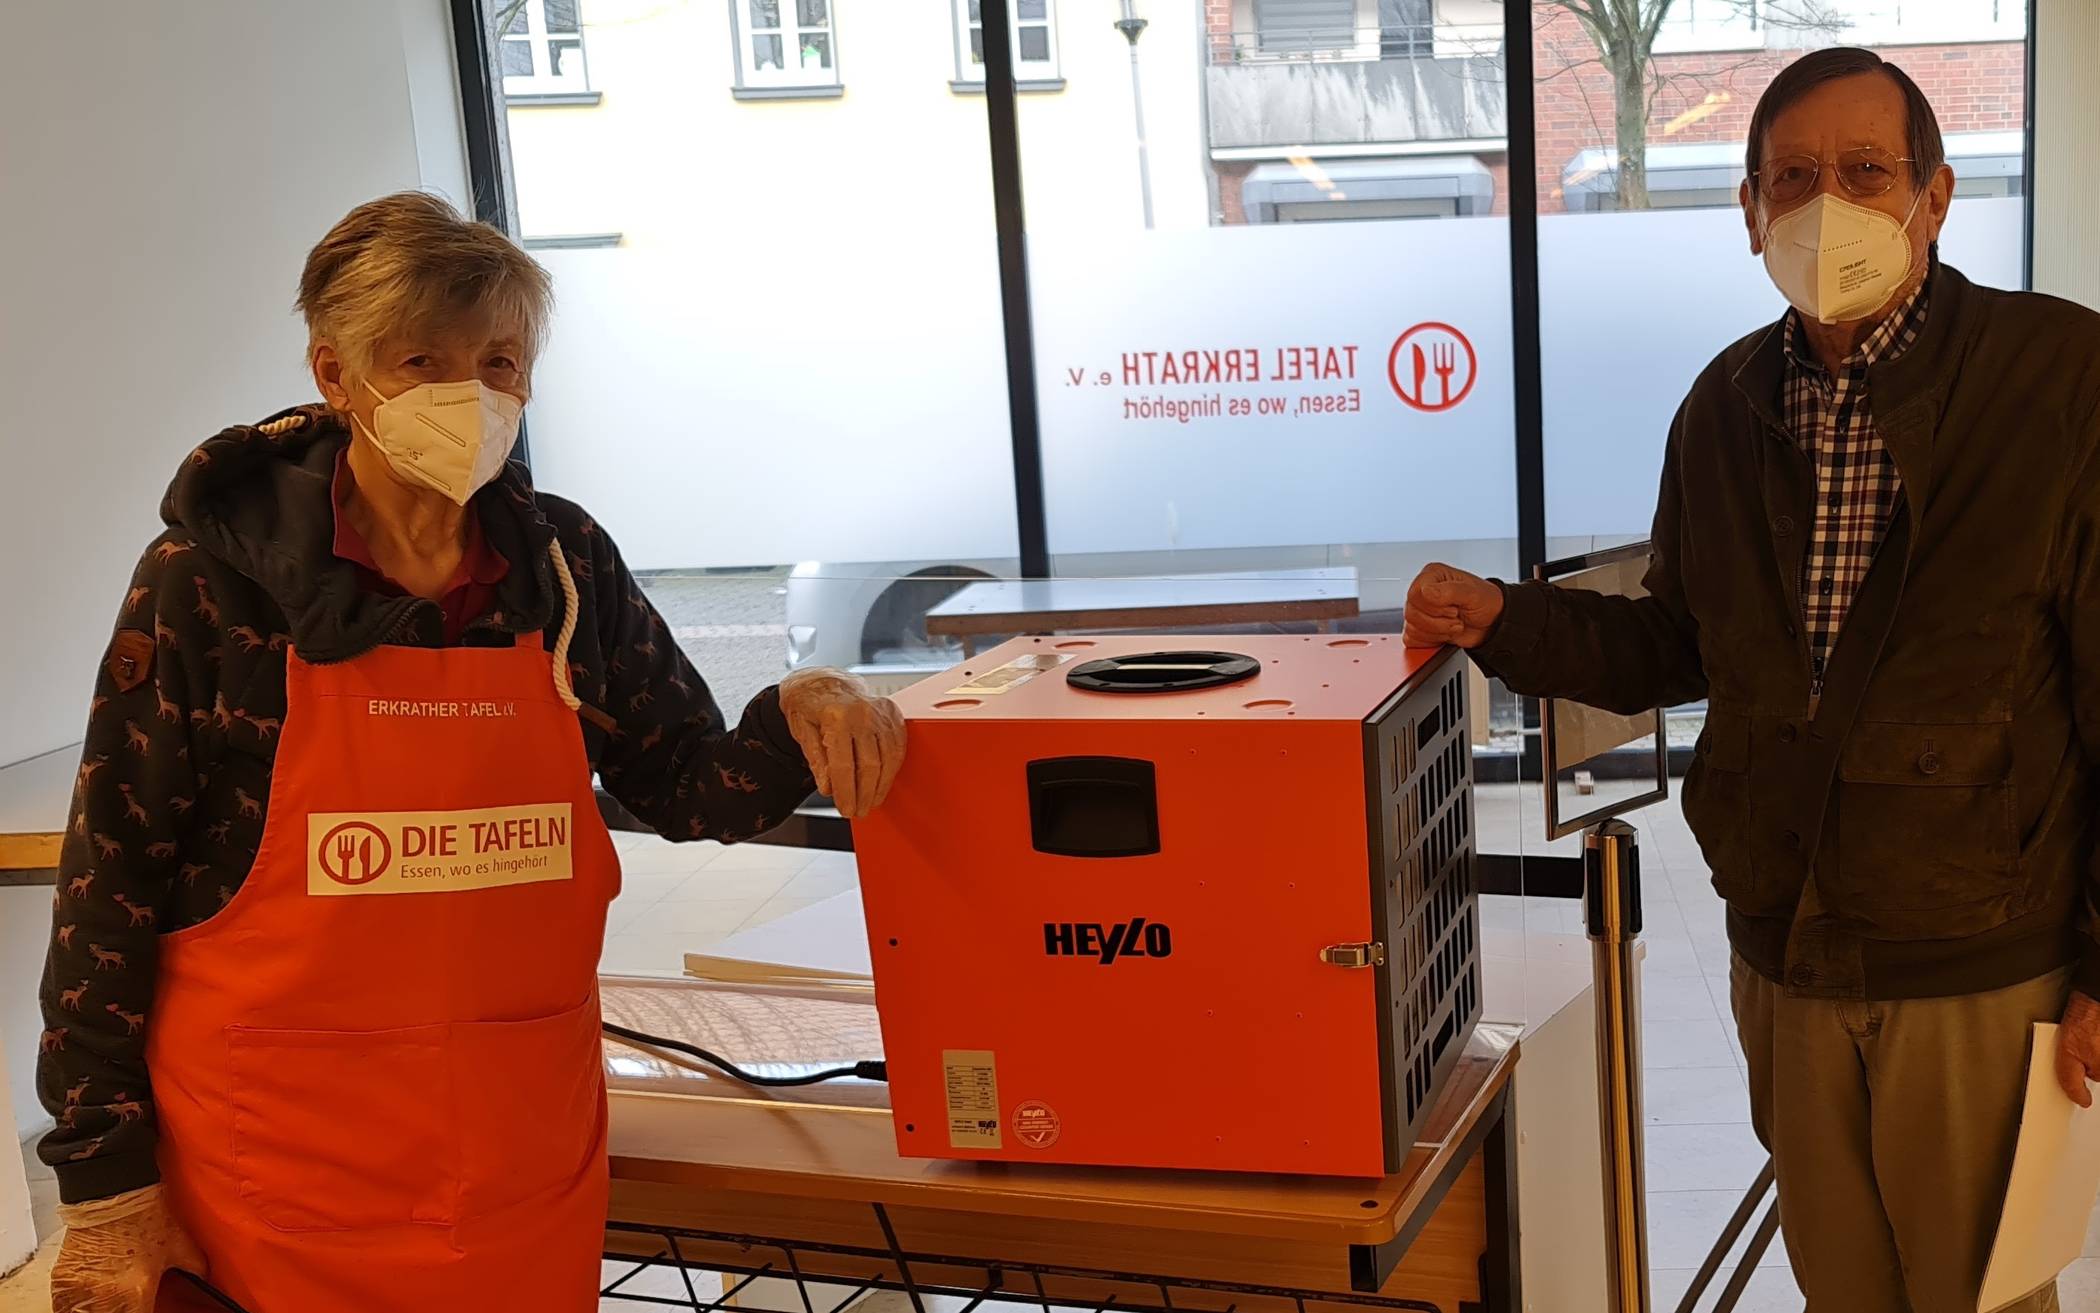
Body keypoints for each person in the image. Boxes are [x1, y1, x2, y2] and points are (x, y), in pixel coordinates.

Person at [35, 192, 907, 1313]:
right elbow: (106, 891)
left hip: (514, 1160)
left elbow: (687, 784)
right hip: (277, 1166)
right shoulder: (212, 577)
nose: (469, 393)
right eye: (421, 359)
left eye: (498, 359)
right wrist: (104, 1183)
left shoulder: (560, 567)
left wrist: (802, 706)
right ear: (336, 375)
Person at [1407, 48, 2100, 1313]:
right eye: (1792, 175)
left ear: (1934, 198)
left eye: (1865, 172)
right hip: (1783, 948)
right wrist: (1507, 618)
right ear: (1747, 209)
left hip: (1979, 954)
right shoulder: (1724, 406)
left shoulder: (2058, 379)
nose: (1824, 203)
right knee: (1842, 1283)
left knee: (1982, 1295)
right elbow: (1676, 642)